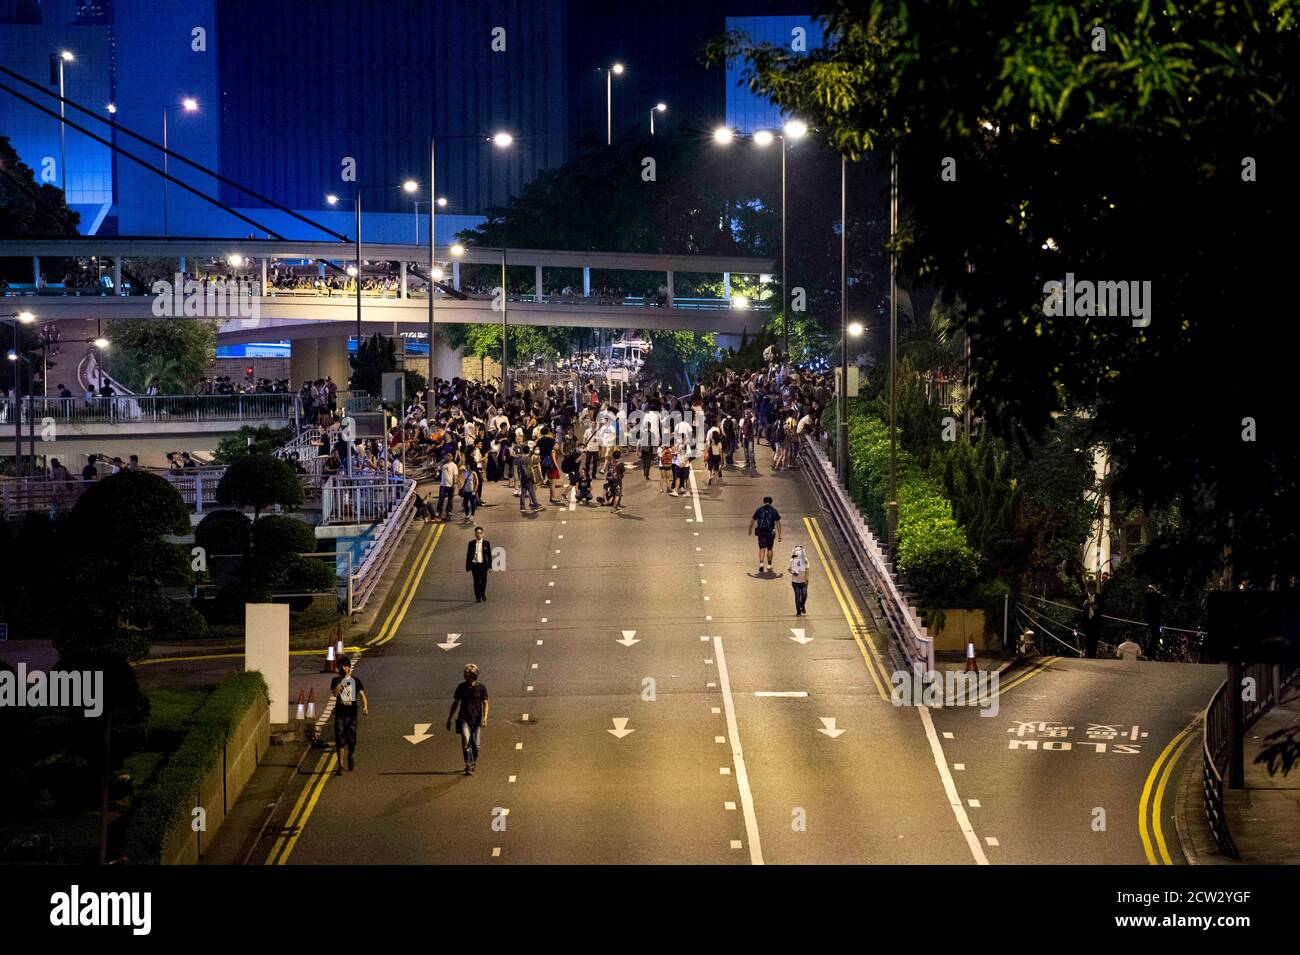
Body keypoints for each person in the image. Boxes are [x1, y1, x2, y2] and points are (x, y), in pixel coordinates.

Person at [446, 663, 490, 775]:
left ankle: (473, 760)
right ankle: (469, 765)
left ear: (474, 675)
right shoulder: (461, 687)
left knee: (476, 745)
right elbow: (455, 703)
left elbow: (485, 703)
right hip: (464, 719)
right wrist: (449, 718)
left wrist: (485, 717)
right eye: (465, 672)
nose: (465, 674)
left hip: (476, 720)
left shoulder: (481, 687)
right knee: (466, 743)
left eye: (467, 673)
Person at [330, 656, 368, 774]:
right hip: (340, 714)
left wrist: (365, 707)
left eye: (344, 667)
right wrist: (341, 681)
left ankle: (350, 755)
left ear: (348, 667)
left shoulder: (356, 681)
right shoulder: (335, 680)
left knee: (352, 740)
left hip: (352, 715)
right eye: (340, 668)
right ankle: (340, 765)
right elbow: (335, 694)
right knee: (340, 740)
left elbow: (362, 695)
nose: (342, 669)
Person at [748, 496, 782, 573]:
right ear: (771, 502)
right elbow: (778, 523)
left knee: (762, 548)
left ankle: (761, 563)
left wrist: (750, 529)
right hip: (771, 532)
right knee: (770, 548)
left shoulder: (759, 510)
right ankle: (769, 564)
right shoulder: (774, 511)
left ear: (764, 502)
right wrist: (779, 535)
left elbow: (753, 520)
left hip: (761, 531)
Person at [465, 526, 492, 602]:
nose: (479, 535)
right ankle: (478, 597)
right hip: (475, 565)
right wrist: (468, 566)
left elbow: (489, 555)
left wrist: (490, 566)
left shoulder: (486, 543)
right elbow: (469, 555)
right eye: (477, 533)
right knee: (476, 581)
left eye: (480, 533)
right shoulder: (471, 543)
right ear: (475, 534)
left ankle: (482, 593)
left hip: (483, 565)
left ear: (483, 534)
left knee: (484, 580)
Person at [789, 545, 810, 615]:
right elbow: (789, 569)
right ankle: (798, 611)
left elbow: (807, 570)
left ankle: (802, 605)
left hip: (803, 581)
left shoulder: (805, 560)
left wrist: (807, 579)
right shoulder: (792, 561)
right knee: (797, 596)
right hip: (795, 582)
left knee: (804, 595)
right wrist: (794, 573)